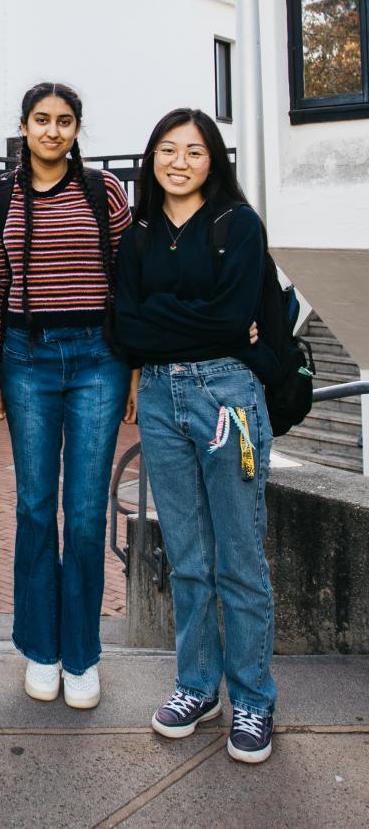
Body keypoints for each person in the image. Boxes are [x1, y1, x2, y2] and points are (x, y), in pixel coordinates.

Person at [114, 108, 278, 764]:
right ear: (151, 158)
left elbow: (236, 317)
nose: (178, 162)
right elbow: (126, 329)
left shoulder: (238, 226)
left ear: (214, 161)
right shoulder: (140, 235)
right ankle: (195, 687)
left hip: (225, 399)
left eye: (194, 151)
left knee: (239, 557)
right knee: (186, 557)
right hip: (157, 397)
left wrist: (168, 320)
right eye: (167, 150)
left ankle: (254, 700)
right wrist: (194, 325)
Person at [0, 81, 134, 710]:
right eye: (41, 120)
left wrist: (136, 366)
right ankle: (41, 651)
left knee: (89, 511)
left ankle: (82, 655)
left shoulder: (105, 191)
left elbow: (127, 280)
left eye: (64, 121)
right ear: (23, 126)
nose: (52, 131)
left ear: (77, 129)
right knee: (37, 508)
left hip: (99, 358)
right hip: (26, 357)